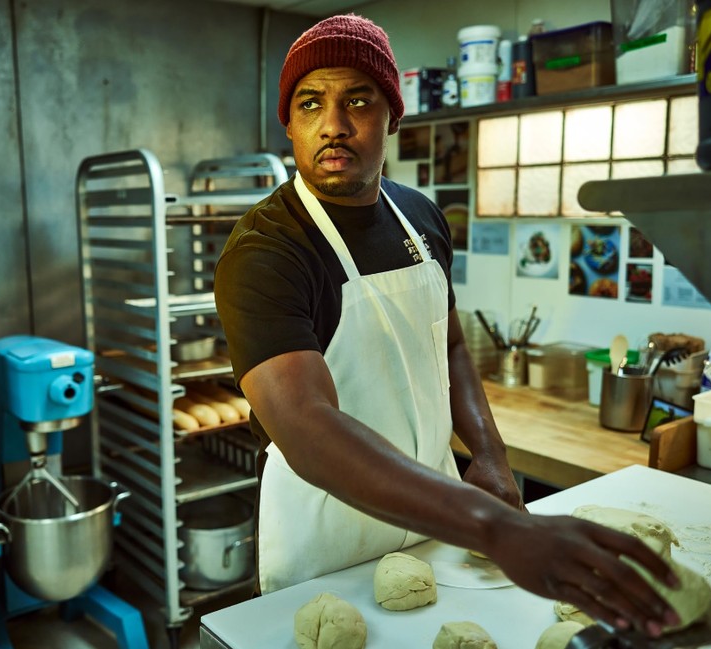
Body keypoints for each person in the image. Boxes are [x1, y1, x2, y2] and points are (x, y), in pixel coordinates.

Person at [214, 14, 680, 636]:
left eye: (358, 100)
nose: (334, 125)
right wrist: (496, 527)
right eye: (310, 104)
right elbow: (307, 428)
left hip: (436, 526)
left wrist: (487, 453)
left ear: (392, 116)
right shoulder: (266, 250)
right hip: (328, 541)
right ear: (289, 122)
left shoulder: (421, 217)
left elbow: (450, 340)